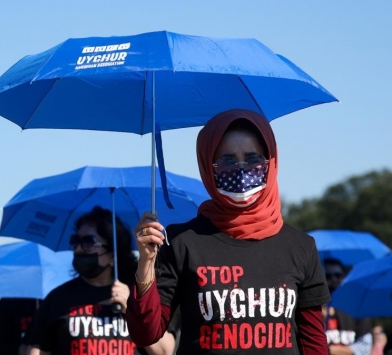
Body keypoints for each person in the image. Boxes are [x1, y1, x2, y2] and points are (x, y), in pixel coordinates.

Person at [127, 109, 332, 354]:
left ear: (270, 162)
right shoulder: (181, 242)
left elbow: (313, 343)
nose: (242, 170)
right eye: (228, 160)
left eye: (253, 158)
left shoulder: (300, 247)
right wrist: (146, 264)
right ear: (207, 165)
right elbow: (144, 333)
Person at [26, 206, 176, 355]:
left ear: (112, 255)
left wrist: (132, 310)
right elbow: (36, 350)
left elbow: (164, 351)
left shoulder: (141, 294)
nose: (78, 248)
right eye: (75, 241)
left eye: (88, 242)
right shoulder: (58, 298)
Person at [324, 258, 372, 355]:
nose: (334, 279)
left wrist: (331, 350)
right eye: (328, 276)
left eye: (338, 275)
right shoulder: (312, 309)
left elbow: (365, 345)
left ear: (345, 277)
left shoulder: (357, 306)